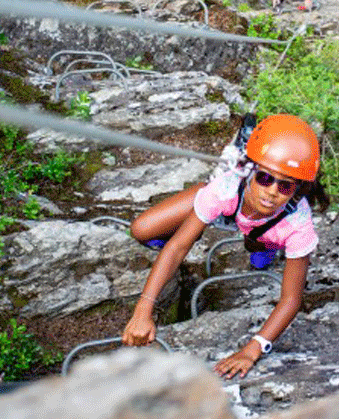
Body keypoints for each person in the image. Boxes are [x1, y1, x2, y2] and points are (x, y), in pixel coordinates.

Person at [122, 114, 324, 379]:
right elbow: (177, 247)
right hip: (229, 205)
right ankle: (209, 222)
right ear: (250, 170)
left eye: (285, 186)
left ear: (297, 190)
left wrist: (253, 349)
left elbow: (291, 299)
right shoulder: (226, 187)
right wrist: (143, 310)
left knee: (259, 241)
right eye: (265, 178)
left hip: (269, 227)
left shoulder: (298, 225)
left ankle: (263, 246)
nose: (273, 191)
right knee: (142, 229)